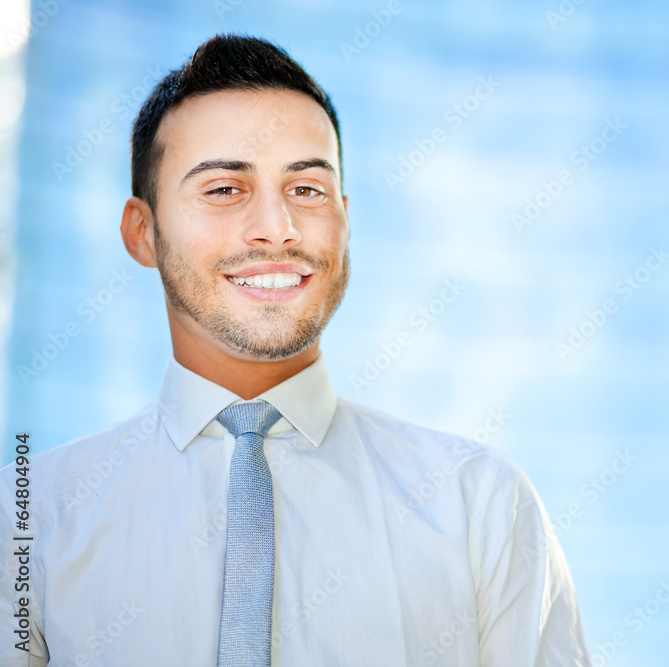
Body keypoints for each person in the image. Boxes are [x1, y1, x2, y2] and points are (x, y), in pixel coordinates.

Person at [0, 34, 590, 666]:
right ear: (142, 232)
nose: (277, 229)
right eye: (224, 189)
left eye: (307, 189)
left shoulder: (482, 507)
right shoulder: (29, 518)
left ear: (345, 219)